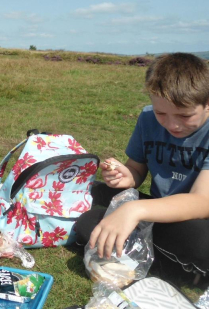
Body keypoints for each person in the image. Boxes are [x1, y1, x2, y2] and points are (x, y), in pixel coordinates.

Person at [75, 53, 209, 281]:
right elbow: (135, 171)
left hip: (197, 221)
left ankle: (136, 251)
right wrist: (126, 177)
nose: (172, 125)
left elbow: (202, 202)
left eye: (185, 115)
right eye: (161, 113)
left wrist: (133, 211)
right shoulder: (147, 118)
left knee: (201, 243)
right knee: (88, 213)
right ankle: (147, 252)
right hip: (156, 212)